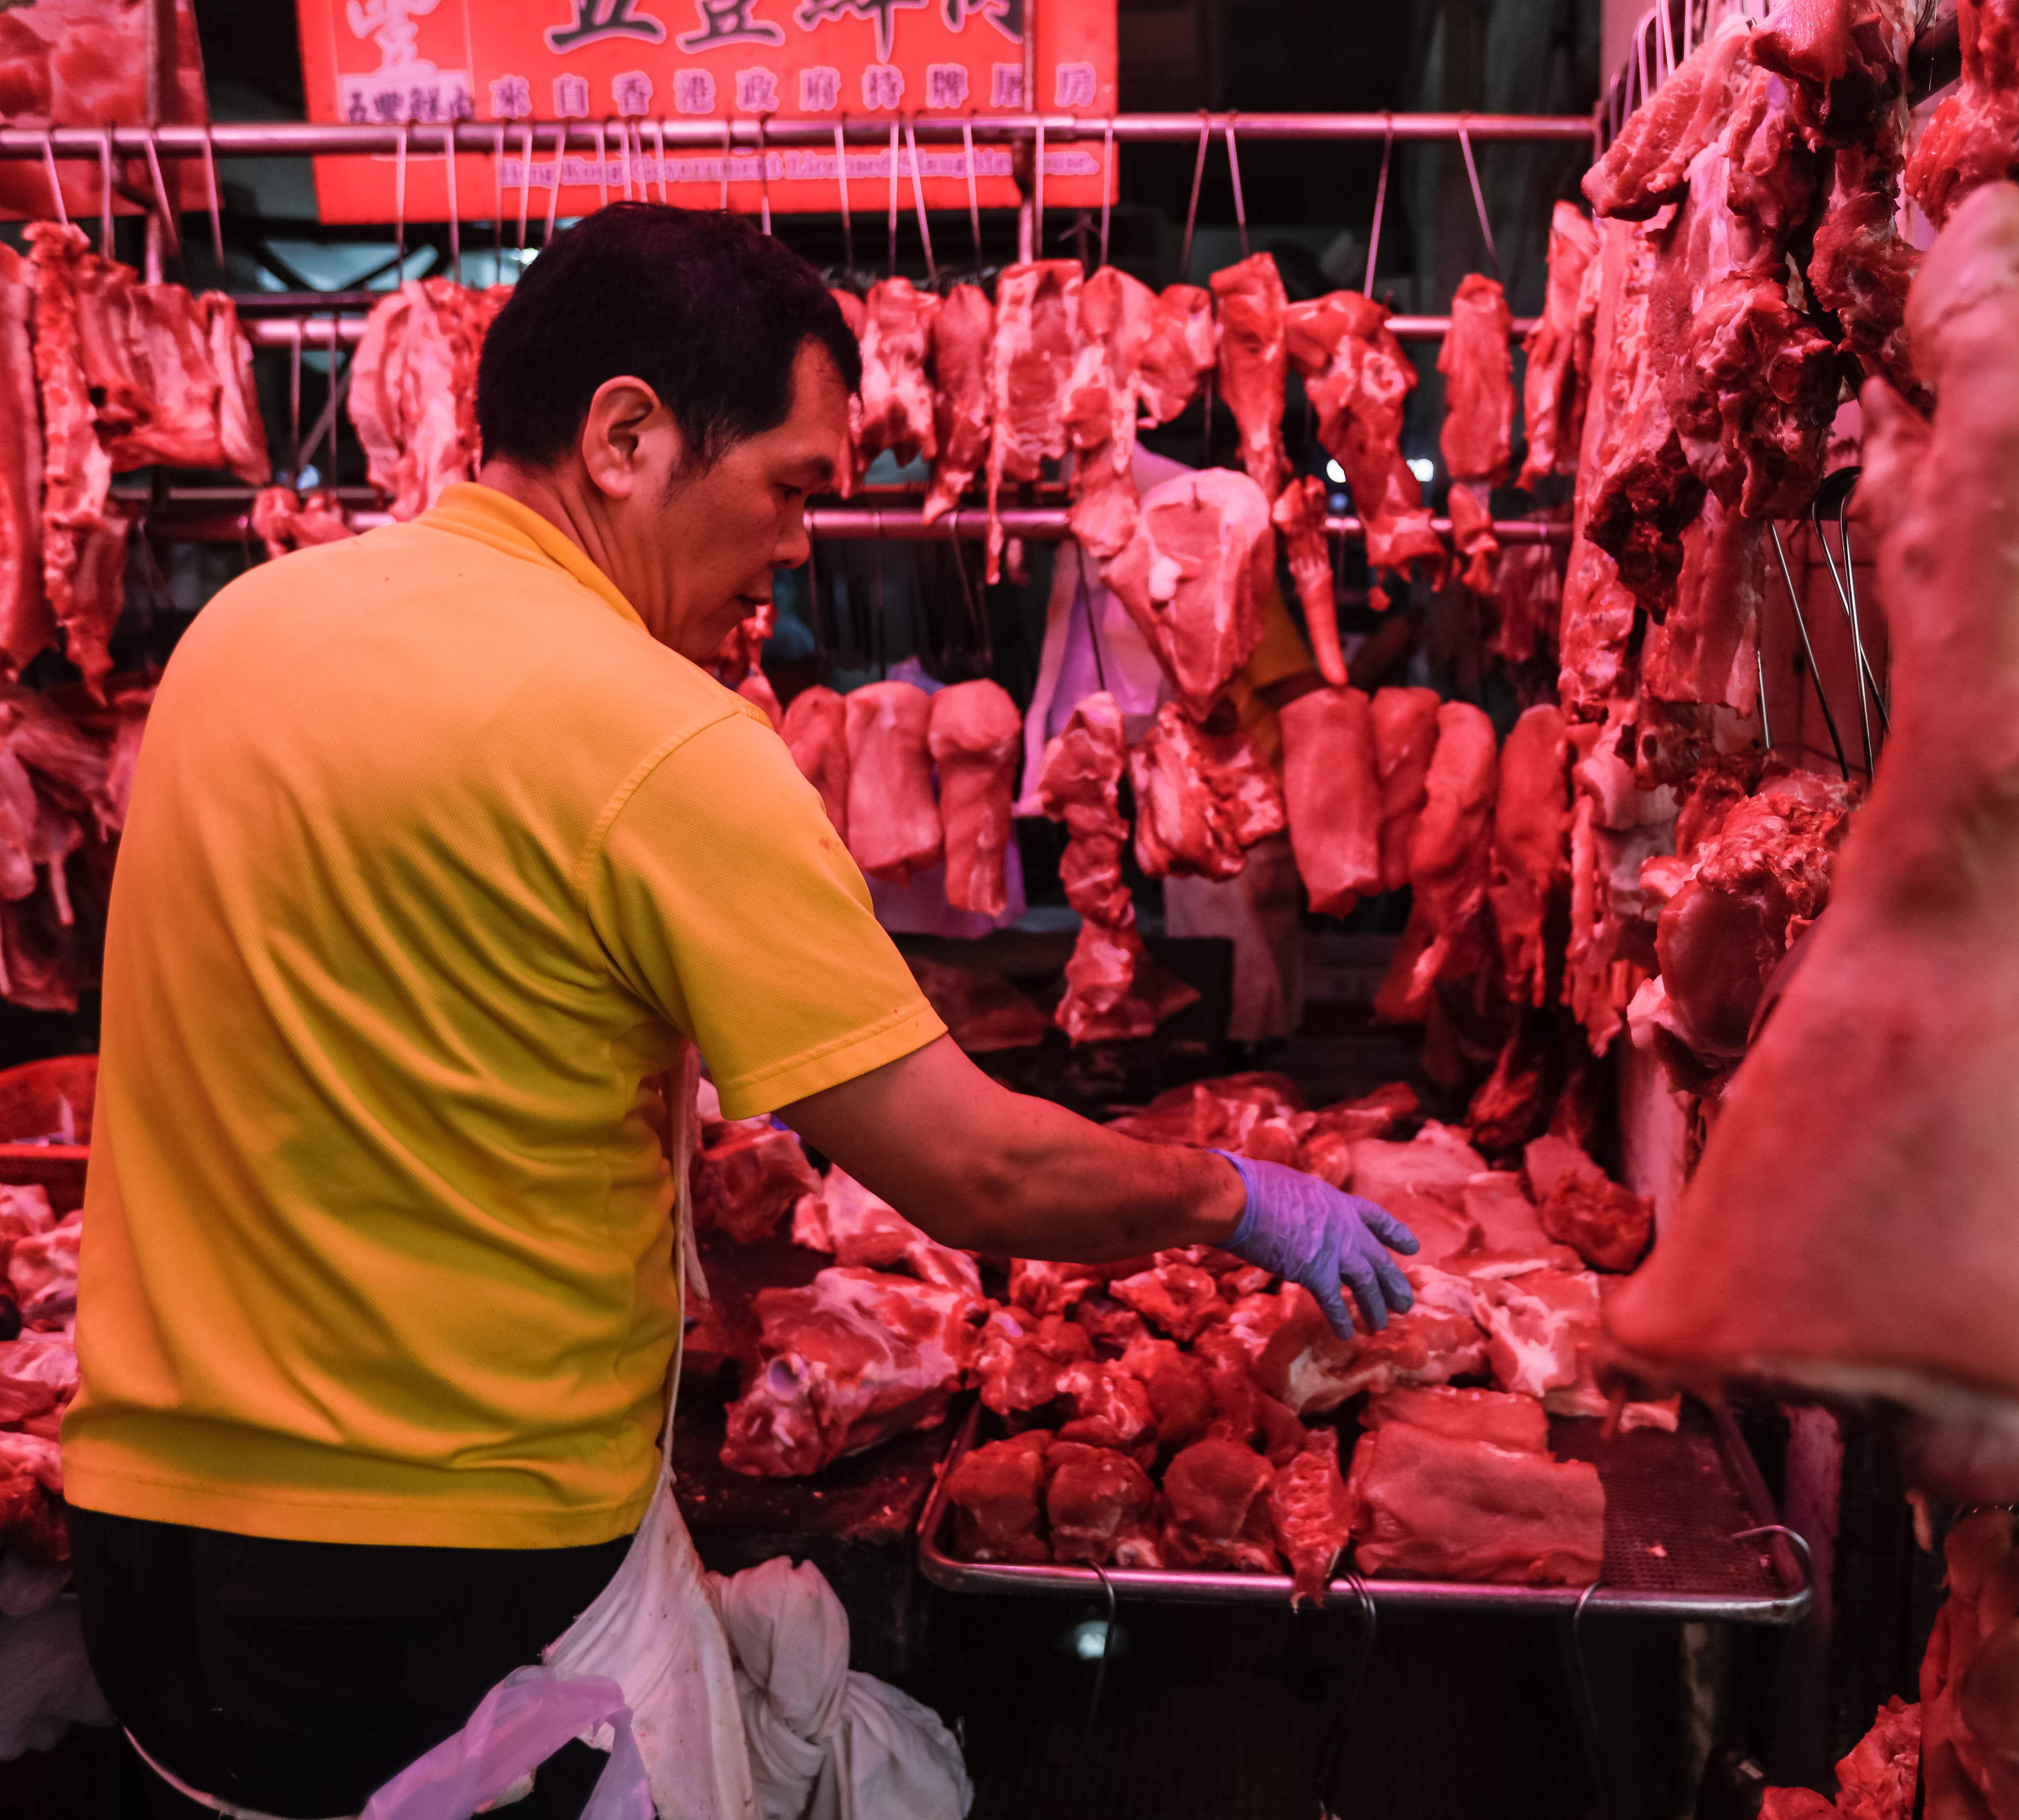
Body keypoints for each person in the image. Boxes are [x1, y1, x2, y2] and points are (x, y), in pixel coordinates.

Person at [60, 203, 1416, 1817]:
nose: (795, 549)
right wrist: (1231, 1196)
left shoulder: (241, 639)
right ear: (625, 435)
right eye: (787, 488)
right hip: (442, 1582)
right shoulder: (654, 736)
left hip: (144, 1555)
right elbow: (971, 1172)